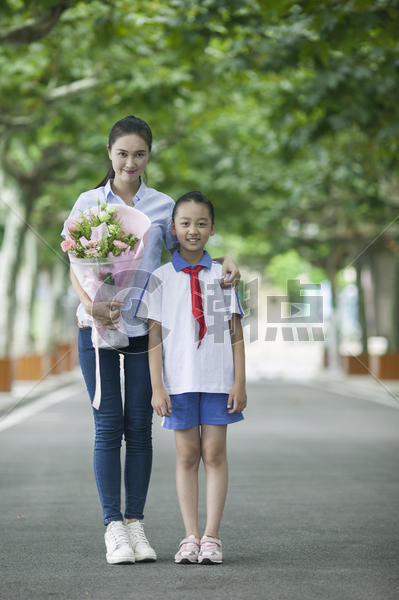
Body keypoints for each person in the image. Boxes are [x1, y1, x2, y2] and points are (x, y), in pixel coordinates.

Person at [61, 116, 241, 565]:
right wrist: (93, 304)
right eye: (122, 153)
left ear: (148, 156)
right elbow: (73, 261)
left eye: (139, 154)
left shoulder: (162, 206)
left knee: (140, 430)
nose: (130, 161)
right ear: (109, 153)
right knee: (108, 427)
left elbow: (187, 249)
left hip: (144, 332)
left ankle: (137, 524)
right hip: (97, 331)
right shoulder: (87, 201)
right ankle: (113, 528)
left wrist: (228, 261)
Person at [140, 191, 247, 565]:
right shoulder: (160, 278)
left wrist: (240, 382)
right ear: (173, 228)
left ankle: (212, 536)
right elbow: (154, 335)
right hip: (178, 381)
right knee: (186, 455)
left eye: (202, 223)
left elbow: (233, 331)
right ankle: (189, 536)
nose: (193, 230)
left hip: (218, 380)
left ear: (212, 228)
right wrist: (157, 386)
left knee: (214, 453)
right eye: (185, 223)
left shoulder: (223, 276)